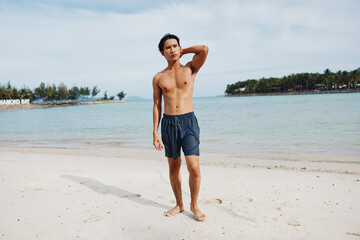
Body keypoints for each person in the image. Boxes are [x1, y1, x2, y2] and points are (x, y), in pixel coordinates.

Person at [152, 33, 209, 221]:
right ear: (162, 52)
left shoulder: (191, 69)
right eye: (168, 47)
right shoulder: (158, 77)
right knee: (173, 167)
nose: (172, 50)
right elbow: (157, 105)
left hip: (188, 122)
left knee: (194, 167)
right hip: (169, 124)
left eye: (175, 46)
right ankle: (179, 204)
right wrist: (155, 132)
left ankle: (194, 205)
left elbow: (204, 49)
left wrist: (185, 51)